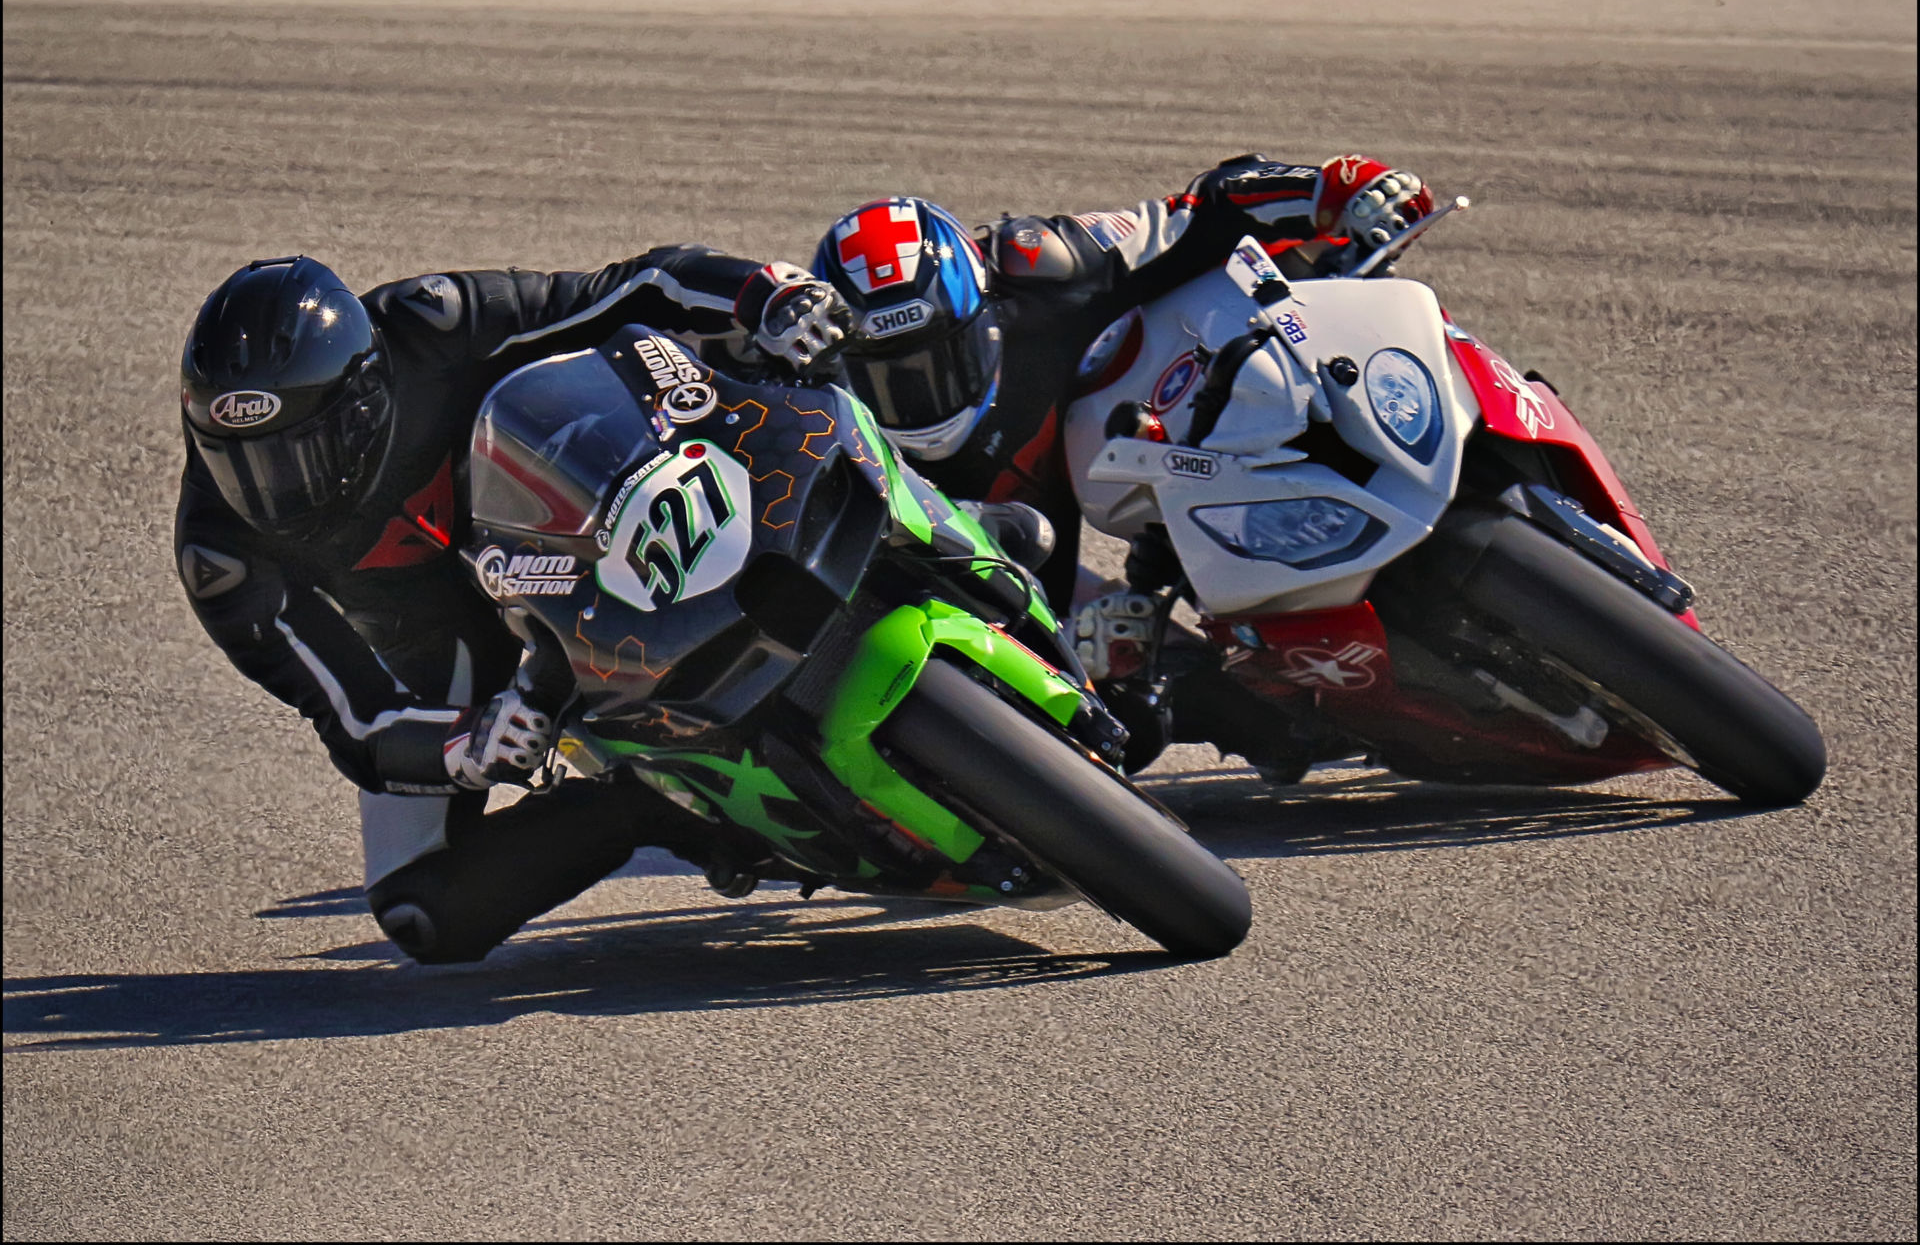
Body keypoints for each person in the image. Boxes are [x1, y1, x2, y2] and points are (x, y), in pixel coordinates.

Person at [176, 249, 850, 963]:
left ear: (365, 398)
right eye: (237, 458)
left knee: (779, 352)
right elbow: (353, 716)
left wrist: (759, 293)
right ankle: (656, 801)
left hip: (586, 488)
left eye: (298, 450)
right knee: (421, 907)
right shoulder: (223, 558)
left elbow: (621, 290)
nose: (274, 489)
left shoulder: (426, 324)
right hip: (442, 635)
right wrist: (466, 746)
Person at [810, 153, 1434, 771]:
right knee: (1130, 727)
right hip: (1026, 559)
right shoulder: (854, 444)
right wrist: (1081, 647)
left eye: (939, 360)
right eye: (887, 376)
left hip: (1163, 425)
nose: (921, 392)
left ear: (985, 309)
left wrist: (1333, 187)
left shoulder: (1045, 263)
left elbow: (1201, 210)